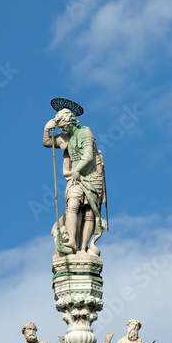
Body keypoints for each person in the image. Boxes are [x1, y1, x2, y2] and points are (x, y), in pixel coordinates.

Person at [43, 108, 107, 255]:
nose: (63, 129)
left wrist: (77, 170)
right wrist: (47, 128)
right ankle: (71, 239)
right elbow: (47, 142)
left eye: (64, 126)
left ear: (70, 121)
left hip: (92, 177)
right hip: (76, 179)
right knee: (72, 204)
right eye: (61, 127)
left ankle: (83, 248)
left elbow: (89, 156)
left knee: (89, 212)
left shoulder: (85, 133)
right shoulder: (67, 137)